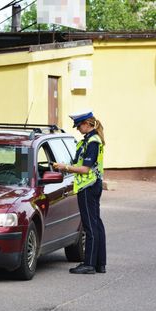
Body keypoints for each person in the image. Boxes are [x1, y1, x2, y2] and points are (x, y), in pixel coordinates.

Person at [53, 110, 107, 274]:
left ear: (87, 124)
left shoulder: (92, 142)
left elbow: (84, 169)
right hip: (92, 185)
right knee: (96, 223)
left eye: (79, 126)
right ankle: (99, 263)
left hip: (88, 186)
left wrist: (65, 168)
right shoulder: (91, 140)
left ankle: (89, 264)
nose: (77, 129)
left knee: (90, 225)